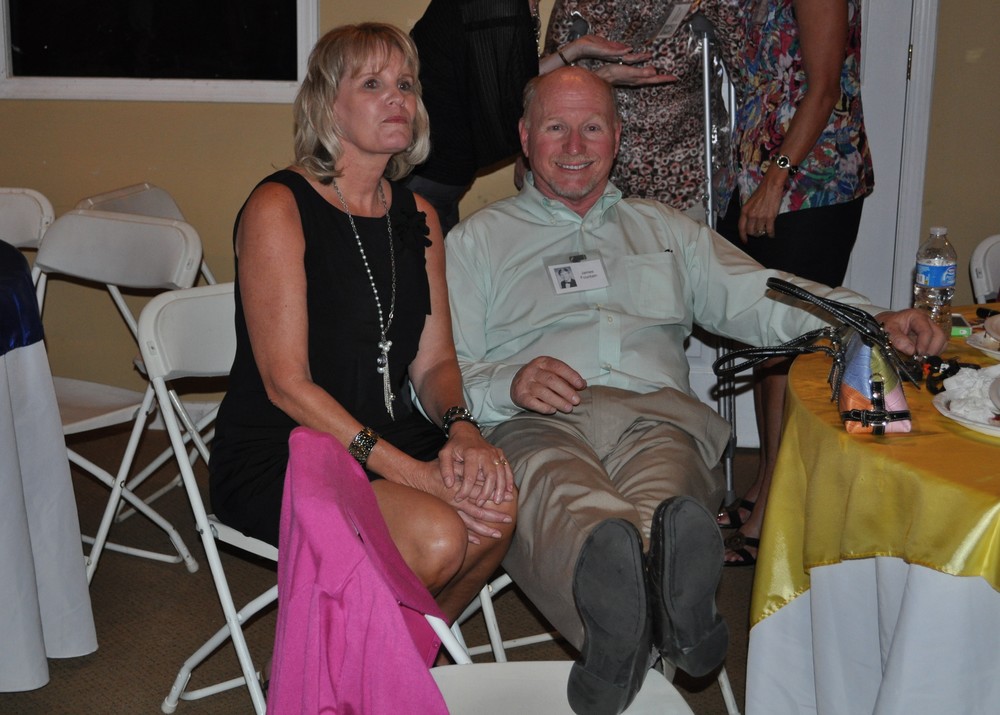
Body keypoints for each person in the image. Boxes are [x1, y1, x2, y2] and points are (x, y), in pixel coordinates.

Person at [444, 67, 946, 715]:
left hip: (658, 419)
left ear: (617, 136)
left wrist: (870, 318)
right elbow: (443, 372)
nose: (574, 145)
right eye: (556, 127)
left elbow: (761, 297)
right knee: (566, 494)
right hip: (535, 421)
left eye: (592, 127)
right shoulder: (477, 241)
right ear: (524, 136)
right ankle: (669, 620)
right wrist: (508, 382)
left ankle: (628, 628)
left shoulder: (665, 230)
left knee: (667, 502)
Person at [208, 23, 517, 622]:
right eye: (373, 84)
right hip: (287, 447)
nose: (397, 98)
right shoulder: (279, 206)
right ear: (328, 105)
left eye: (406, 84)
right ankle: (347, 666)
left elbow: (435, 362)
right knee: (437, 538)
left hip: (388, 430)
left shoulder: (419, 215)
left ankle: (397, 663)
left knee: (497, 512)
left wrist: (462, 430)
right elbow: (285, 385)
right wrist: (414, 476)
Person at [714, 0, 874, 566]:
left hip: (812, 183)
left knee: (788, 346)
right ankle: (766, 485)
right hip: (762, 174)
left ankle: (775, 513)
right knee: (766, 342)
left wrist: (775, 181)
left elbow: (824, 89)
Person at [407, 0, 673, 234]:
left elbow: (513, 79)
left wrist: (577, 49)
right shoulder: (498, 5)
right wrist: (602, 80)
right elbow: (507, 115)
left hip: (438, 176)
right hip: (425, 177)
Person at [545, 0, 745, 217]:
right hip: (599, 175)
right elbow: (546, 91)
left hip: (689, 173)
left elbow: (748, 82)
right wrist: (601, 79)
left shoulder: (705, 2)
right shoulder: (576, 3)